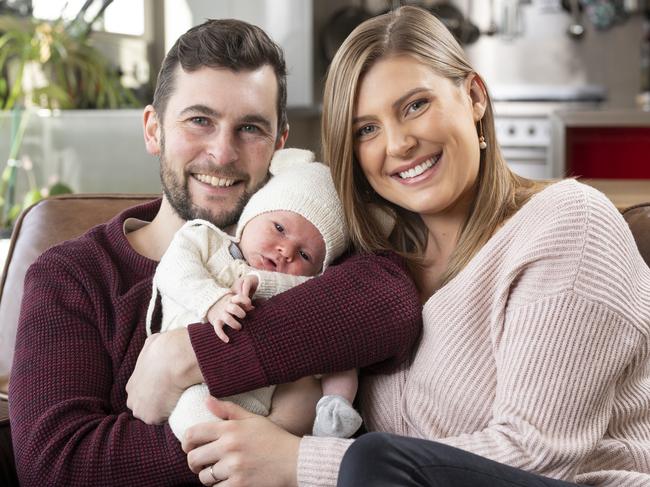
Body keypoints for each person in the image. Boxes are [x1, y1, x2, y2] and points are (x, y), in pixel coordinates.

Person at [176, 6, 650, 487]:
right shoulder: (369, 268)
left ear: (474, 97)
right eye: (367, 129)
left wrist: (300, 462)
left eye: (416, 106)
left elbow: (540, 454)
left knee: (369, 458)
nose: (399, 144)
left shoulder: (568, 222)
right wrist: (175, 361)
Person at [8, 18, 422, 486]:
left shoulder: (307, 249)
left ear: (279, 144)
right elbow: (55, 465)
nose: (223, 153)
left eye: (250, 128)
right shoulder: (74, 276)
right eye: (199, 120)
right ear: (153, 129)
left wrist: (189, 355)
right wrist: (262, 436)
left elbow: (394, 305)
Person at [148, 147, 361, 440]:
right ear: (252, 215)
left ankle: (334, 410)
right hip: (197, 389)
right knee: (193, 414)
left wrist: (336, 398)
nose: (285, 250)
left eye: (305, 254)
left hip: (265, 404)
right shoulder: (203, 240)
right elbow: (172, 272)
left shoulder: (301, 290)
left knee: (338, 349)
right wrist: (212, 300)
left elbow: (339, 342)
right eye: (279, 228)